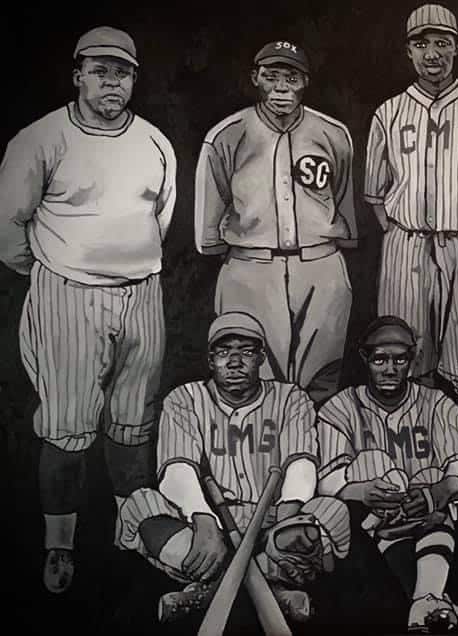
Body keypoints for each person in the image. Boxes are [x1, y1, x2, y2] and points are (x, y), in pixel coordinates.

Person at [0, 25, 177, 593]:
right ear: (78, 74)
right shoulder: (40, 138)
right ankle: (59, 544)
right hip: (68, 294)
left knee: (134, 423)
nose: (111, 81)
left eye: (122, 71)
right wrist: (59, 274)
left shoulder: (153, 141)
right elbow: (8, 230)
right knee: (67, 429)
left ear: (133, 80)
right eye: (100, 70)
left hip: (141, 292)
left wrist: (127, 265)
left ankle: (134, 531)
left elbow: (162, 220)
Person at [116, 312, 352, 613]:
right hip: (212, 522)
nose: (235, 361)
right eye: (224, 352)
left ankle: (208, 592)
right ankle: (273, 591)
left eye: (247, 351)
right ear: (210, 359)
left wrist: (288, 515)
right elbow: (178, 468)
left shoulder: (289, 396)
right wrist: (202, 519)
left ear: (262, 357)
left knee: (332, 513)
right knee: (139, 507)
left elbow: (301, 462)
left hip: (274, 520)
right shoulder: (185, 398)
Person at [363, 4, 458, 399]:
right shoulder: (388, 112)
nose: (431, 53)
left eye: (441, 43)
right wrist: (406, 229)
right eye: (421, 43)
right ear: (408, 51)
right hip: (408, 239)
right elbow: (375, 194)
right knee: (405, 350)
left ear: (456, 48)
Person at [195, 39, 357, 404]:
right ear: (255, 78)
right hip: (252, 266)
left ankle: (312, 458)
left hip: (321, 264)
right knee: (255, 381)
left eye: (292, 77)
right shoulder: (226, 134)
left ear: (305, 82)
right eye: (271, 76)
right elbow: (209, 230)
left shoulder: (333, 133)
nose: (282, 87)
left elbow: (343, 204)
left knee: (322, 378)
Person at [316, 316, 458, 632]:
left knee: (433, 473)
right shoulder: (341, 406)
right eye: (380, 359)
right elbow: (328, 480)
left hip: (427, 507)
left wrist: (436, 493)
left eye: (399, 359)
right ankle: (433, 597)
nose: (390, 368)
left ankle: (424, 601)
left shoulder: (435, 402)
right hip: (374, 514)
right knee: (373, 462)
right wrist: (362, 491)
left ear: (412, 360)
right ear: (366, 359)